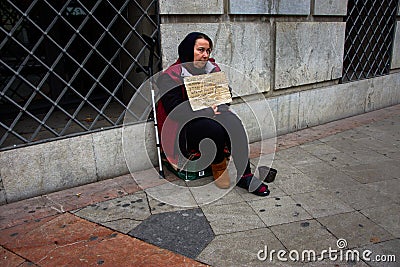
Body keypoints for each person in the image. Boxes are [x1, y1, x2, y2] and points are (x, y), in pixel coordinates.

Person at [156, 32, 270, 196]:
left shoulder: (212, 70)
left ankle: (245, 175)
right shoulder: (171, 76)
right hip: (184, 126)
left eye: (208, 51)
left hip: (213, 114)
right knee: (214, 128)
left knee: (234, 123)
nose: (205, 55)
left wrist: (222, 99)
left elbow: (225, 97)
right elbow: (175, 111)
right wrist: (207, 111)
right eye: (201, 50)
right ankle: (219, 165)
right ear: (188, 50)